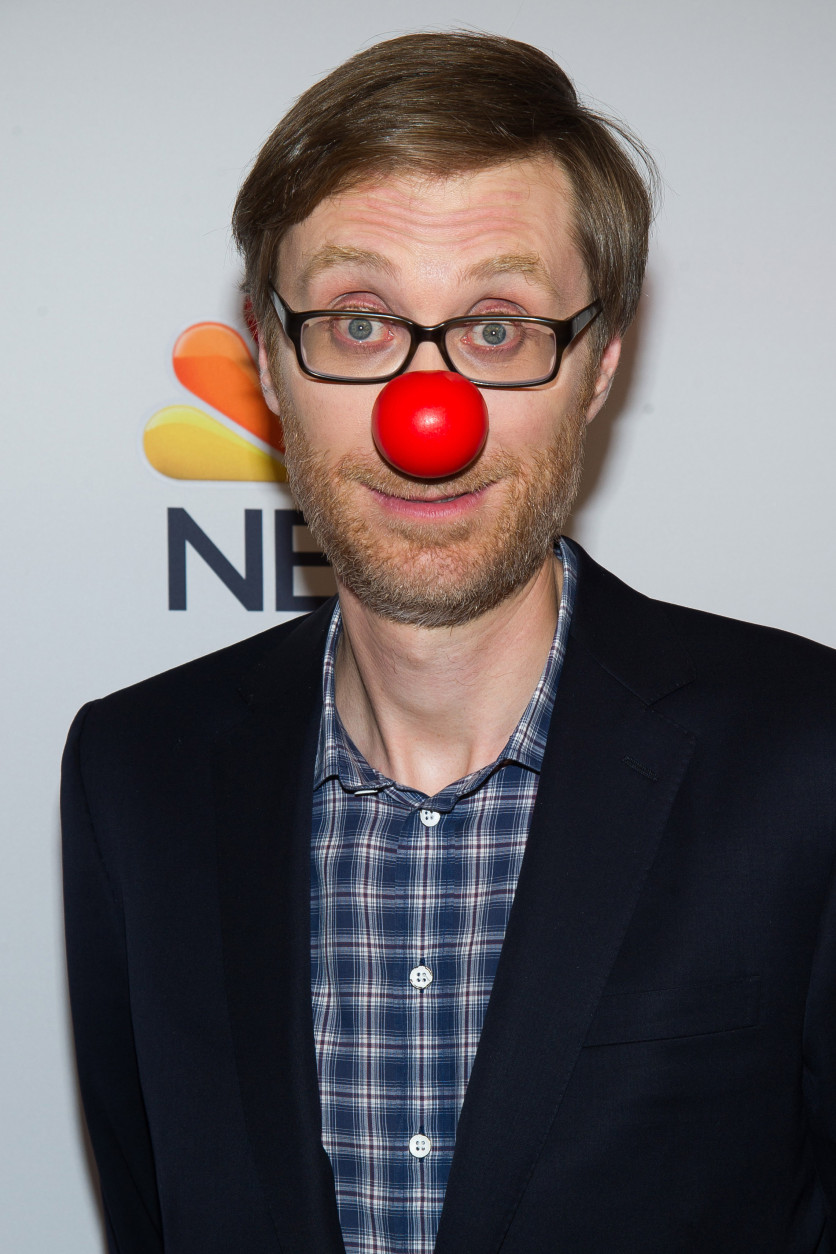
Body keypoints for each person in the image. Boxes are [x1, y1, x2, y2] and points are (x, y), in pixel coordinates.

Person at [62, 31, 836, 1254]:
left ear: (595, 367)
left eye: (494, 327)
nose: (432, 418)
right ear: (267, 355)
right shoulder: (133, 771)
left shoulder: (807, 756)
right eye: (359, 322)